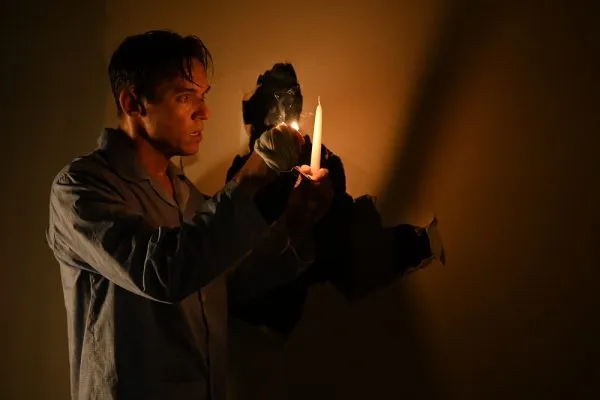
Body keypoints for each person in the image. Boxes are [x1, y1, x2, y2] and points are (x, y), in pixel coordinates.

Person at [46, 30, 333, 400]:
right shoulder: (81, 190)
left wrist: (296, 224)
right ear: (133, 102)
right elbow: (162, 271)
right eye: (185, 96)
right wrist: (250, 176)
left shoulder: (188, 197)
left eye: (203, 96)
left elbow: (230, 284)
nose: (204, 112)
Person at [226, 62, 446, 338]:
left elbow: (338, 237)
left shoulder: (321, 162)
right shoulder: (243, 174)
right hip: (256, 305)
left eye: (292, 99)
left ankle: (417, 244)